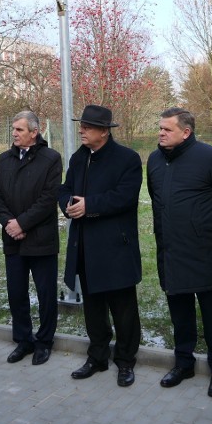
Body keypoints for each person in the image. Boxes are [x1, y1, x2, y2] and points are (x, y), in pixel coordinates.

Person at [147, 108, 212, 399]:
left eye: (167, 129)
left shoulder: (211, 158)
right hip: (171, 252)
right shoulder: (154, 160)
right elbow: (157, 200)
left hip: (205, 253)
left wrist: (209, 230)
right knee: (180, 314)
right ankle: (184, 363)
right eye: (160, 128)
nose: (161, 133)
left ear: (186, 132)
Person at [59, 105, 142, 388]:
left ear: (104, 132)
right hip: (85, 245)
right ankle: (97, 356)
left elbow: (126, 196)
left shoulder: (128, 159)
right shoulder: (79, 157)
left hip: (115, 247)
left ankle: (126, 360)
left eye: (88, 127)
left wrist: (90, 205)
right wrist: (68, 205)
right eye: (81, 125)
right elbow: (65, 188)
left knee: (123, 309)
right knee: (93, 308)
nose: (81, 130)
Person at [0, 111, 62, 366]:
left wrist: (22, 223)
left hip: (41, 239)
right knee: (16, 293)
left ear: (34, 132)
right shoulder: (4, 159)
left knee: (45, 294)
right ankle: (23, 340)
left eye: (19, 129)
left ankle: (44, 342)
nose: (14, 133)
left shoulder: (51, 158)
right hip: (13, 239)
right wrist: (9, 224)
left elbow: (48, 199)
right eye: (13, 129)